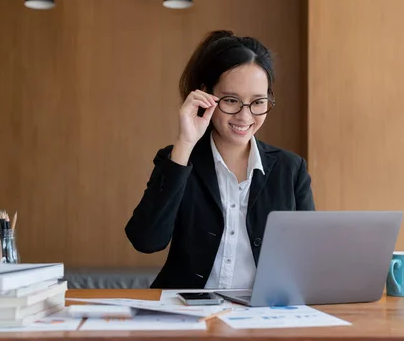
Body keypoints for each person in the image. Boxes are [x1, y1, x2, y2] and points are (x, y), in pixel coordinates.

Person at [125, 30, 315, 290]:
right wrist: (185, 144)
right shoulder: (179, 160)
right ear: (206, 95)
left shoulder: (290, 169)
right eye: (231, 100)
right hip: (186, 313)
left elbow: (308, 258)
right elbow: (146, 241)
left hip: (262, 315)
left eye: (257, 102)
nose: (245, 116)